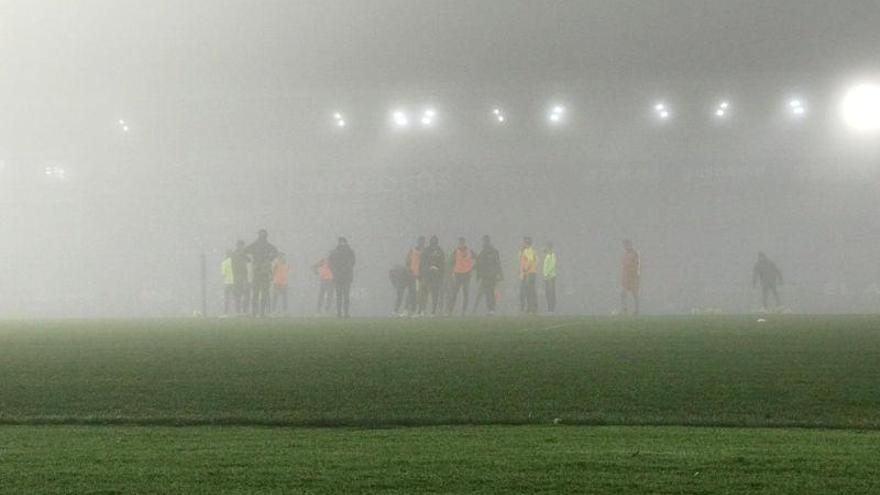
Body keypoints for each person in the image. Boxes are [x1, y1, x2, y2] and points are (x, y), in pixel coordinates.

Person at [244, 229, 279, 318]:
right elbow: (244, 252)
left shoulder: (266, 246)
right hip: (259, 272)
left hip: (263, 272)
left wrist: (269, 259)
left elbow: (276, 253)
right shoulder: (258, 245)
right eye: (261, 234)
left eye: (263, 234)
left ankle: (260, 313)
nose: (262, 236)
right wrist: (250, 260)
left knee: (262, 293)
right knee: (258, 293)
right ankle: (256, 313)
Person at [474, 235, 503, 315]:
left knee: (489, 292)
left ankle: (491, 309)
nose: (483, 243)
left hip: (490, 275)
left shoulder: (492, 252)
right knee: (488, 293)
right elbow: (479, 263)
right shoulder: (484, 252)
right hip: (486, 276)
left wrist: (500, 274)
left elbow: (497, 263)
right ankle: (490, 309)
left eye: (484, 241)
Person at [328, 237, 356, 318]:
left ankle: (339, 313)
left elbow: (330, 264)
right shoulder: (350, 252)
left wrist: (335, 271)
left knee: (339, 295)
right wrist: (345, 269)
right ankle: (345, 313)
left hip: (338, 277)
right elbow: (352, 263)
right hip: (346, 276)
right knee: (345, 295)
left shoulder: (334, 252)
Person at [447, 237, 475, 316]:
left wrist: (473, 268)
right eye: (460, 242)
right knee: (454, 293)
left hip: (466, 275)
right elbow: (450, 262)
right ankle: (450, 311)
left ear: (464, 242)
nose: (461, 244)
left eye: (462, 242)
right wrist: (452, 271)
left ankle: (463, 312)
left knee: (466, 293)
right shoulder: (456, 252)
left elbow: (478, 258)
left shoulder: (470, 251)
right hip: (458, 274)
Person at [419, 235, 446, 316]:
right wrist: (428, 268)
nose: (434, 243)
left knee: (435, 294)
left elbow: (442, 263)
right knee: (424, 293)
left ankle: (433, 311)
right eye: (433, 241)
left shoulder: (440, 251)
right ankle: (422, 310)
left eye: (435, 241)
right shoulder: (426, 250)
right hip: (427, 275)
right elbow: (422, 262)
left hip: (436, 276)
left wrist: (439, 271)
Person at [404, 236, 426, 315]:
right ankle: (406, 310)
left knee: (420, 293)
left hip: (421, 275)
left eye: (423, 241)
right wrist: (408, 269)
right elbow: (407, 260)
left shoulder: (425, 251)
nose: (421, 242)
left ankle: (420, 310)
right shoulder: (412, 250)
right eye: (420, 241)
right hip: (412, 274)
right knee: (411, 292)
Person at [620, 239, 640, 316]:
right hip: (626, 277)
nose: (625, 246)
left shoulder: (634, 254)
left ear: (630, 244)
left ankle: (636, 310)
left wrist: (635, 275)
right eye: (624, 245)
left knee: (634, 294)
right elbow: (623, 266)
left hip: (633, 276)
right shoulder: (625, 254)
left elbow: (636, 265)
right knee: (623, 293)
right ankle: (624, 309)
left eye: (626, 244)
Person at [519, 237, 538, 314]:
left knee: (529, 291)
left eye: (524, 242)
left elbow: (530, 261)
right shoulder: (526, 251)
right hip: (527, 273)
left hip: (529, 273)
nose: (522, 243)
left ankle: (531, 308)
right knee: (528, 291)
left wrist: (525, 269)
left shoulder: (529, 251)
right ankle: (530, 307)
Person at [230, 240, 249, 314]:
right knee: (238, 294)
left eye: (242, 245)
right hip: (238, 276)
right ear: (237, 246)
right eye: (240, 245)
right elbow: (233, 265)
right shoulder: (235, 254)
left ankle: (244, 310)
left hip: (244, 276)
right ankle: (239, 311)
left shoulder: (244, 254)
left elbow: (249, 261)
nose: (241, 247)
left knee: (245, 294)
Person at [543, 242, 558, 314]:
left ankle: (552, 308)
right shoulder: (547, 255)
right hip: (546, 277)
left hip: (551, 277)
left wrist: (547, 274)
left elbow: (552, 265)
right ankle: (549, 308)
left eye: (546, 247)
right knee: (547, 293)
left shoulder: (552, 255)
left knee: (551, 292)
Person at [221, 249, 235, 316]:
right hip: (235, 281)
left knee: (227, 298)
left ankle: (226, 312)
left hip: (227, 282)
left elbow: (223, 274)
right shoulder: (234, 262)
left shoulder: (224, 263)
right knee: (235, 297)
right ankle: (235, 311)